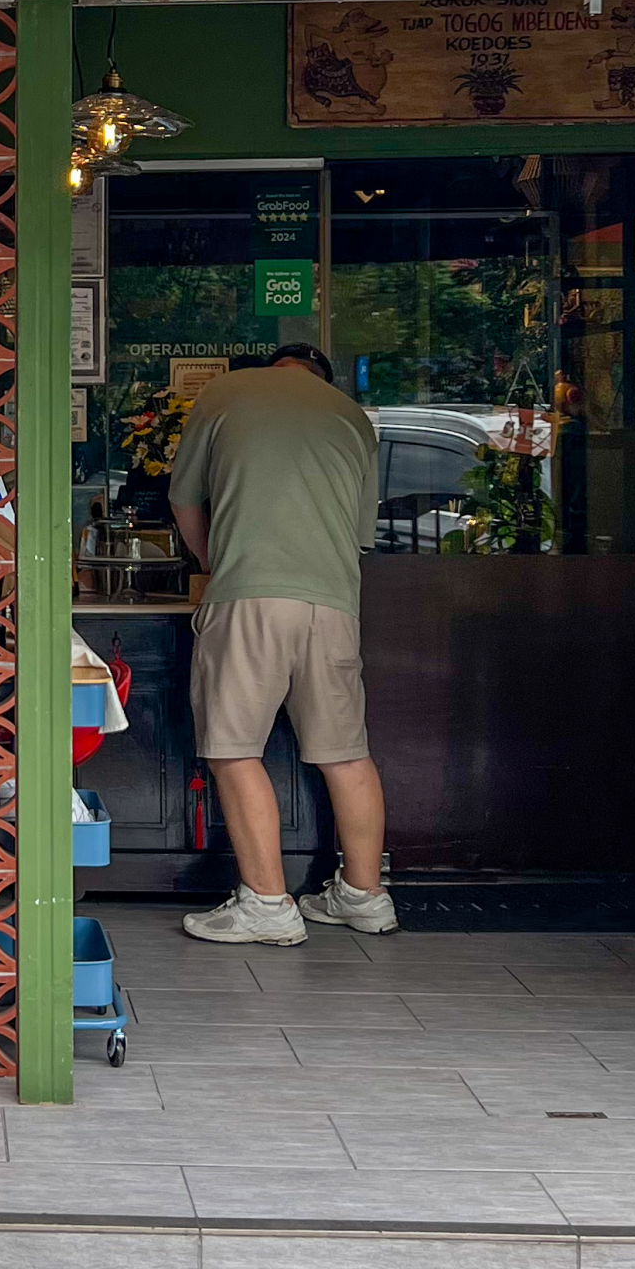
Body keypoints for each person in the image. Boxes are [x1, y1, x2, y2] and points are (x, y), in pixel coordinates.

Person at [166, 343, 396, 946]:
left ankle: (267, 904)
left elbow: (184, 498)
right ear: (320, 378)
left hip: (250, 598)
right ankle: (364, 897)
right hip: (335, 604)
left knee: (233, 747)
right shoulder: (353, 417)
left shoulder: (223, 392)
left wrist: (217, 565)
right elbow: (361, 534)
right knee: (345, 752)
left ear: (275, 369)